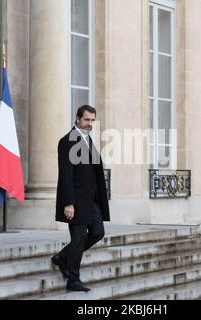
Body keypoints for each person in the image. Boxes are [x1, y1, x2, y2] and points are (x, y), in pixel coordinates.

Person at [51, 105, 110, 292]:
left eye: (92, 120)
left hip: (91, 202)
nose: (89, 123)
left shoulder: (87, 139)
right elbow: (66, 174)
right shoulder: (67, 141)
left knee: (98, 232)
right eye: (86, 120)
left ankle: (62, 257)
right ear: (77, 119)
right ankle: (73, 279)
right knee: (78, 240)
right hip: (75, 202)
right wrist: (68, 203)